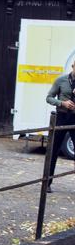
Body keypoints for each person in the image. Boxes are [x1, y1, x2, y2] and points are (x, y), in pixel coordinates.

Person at [46, 57, 75, 192]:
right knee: (53, 150)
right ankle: (47, 183)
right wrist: (62, 103)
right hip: (62, 117)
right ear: (73, 66)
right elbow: (49, 98)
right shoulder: (61, 80)